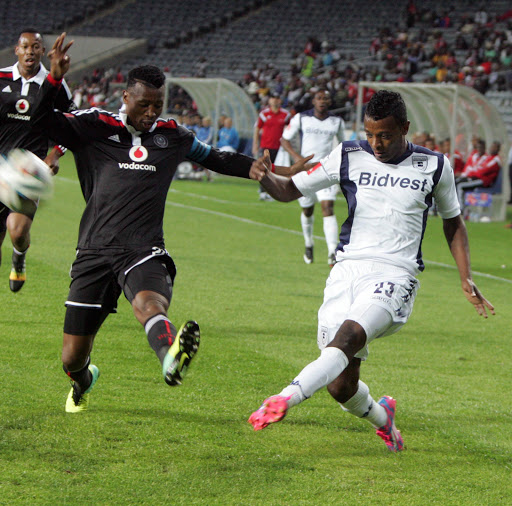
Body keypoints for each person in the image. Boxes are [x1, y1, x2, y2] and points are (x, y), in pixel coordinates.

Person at [248, 90, 494, 451]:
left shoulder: (436, 165)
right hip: (346, 271)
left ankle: (285, 397)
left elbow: (453, 222)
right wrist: (263, 176)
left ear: (405, 128)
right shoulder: (348, 154)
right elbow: (289, 190)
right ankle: (384, 419)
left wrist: (465, 276)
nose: (377, 144)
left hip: (396, 275)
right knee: (341, 385)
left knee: (348, 337)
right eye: (371, 134)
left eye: (386, 135)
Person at [33, 34, 266, 413]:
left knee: (149, 304)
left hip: (143, 248)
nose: (151, 113)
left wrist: (253, 167)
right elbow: (41, 120)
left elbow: (215, 157)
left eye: (158, 105)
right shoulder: (94, 125)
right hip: (93, 249)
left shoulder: (172, 135)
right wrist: (54, 80)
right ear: (126, 98)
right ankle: (84, 380)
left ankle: (170, 358)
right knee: (71, 358)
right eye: (144, 104)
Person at [0, 28, 75, 292]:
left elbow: (73, 124)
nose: (30, 51)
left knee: (18, 232)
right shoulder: (1, 78)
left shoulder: (55, 83)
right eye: (25, 47)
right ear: (16, 50)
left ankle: (19, 258)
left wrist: (55, 153)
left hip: (29, 171)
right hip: (0, 169)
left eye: (35, 47)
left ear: (42, 51)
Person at [280, 89, 345, 266]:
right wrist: (296, 157)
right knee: (307, 210)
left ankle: (333, 251)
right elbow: (284, 139)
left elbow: (342, 145)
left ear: (330, 102)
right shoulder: (301, 118)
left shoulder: (336, 122)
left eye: (326, 98)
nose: (322, 101)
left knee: (328, 207)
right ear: (314, 101)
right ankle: (309, 244)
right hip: (305, 171)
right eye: (319, 98)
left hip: (326, 170)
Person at [252, 92, 290, 201]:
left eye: (277, 98)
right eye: (273, 98)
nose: (275, 100)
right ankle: (263, 191)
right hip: (266, 146)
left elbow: (290, 130)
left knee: (276, 170)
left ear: (280, 101)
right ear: (269, 101)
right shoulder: (264, 114)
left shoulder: (286, 115)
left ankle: (273, 192)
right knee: (264, 169)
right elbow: (257, 129)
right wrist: (255, 144)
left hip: (280, 148)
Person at [456, 141, 501, 211]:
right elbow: (477, 168)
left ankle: (460, 209)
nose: (492, 149)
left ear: (498, 149)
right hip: (476, 178)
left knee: (460, 185)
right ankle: (460, 207)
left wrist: (471, 173)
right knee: (456, 181)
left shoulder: (495, 160)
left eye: (494, 147)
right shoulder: (489, 158)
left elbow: (482, 171)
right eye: (492, 147)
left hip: (483, 181)